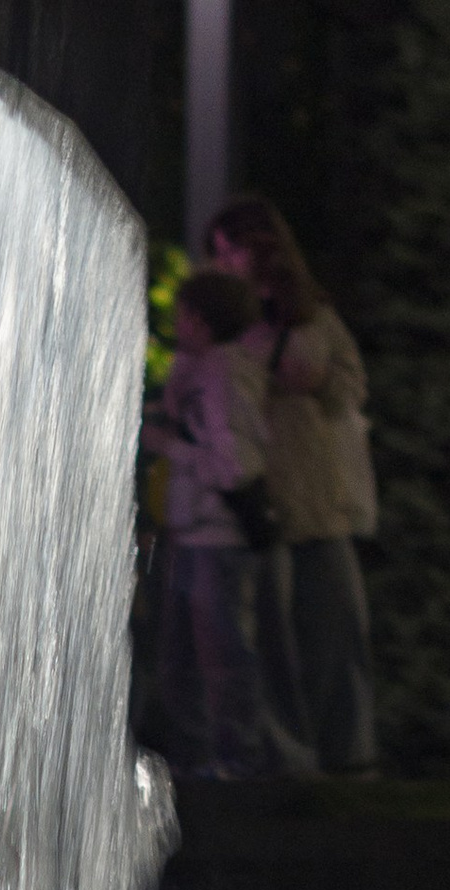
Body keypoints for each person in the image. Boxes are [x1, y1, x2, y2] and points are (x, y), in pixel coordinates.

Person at [204, 195, 378, 775]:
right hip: (264, 496)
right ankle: (289, 761)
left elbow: (351, 388)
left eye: (238, 245)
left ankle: (350, 756)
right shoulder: (230, 324)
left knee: (337, 629)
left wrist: (317, 378)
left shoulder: (313, 317)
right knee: (274, 642)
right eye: (223, 248)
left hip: (320, 493)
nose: (231, 258)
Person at [140, 269, 310, 781]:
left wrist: (167, 446)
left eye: (185, 312)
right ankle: (203, 765)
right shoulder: (205, 368)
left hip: (216, 536)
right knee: (188, 659)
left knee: (220, 657)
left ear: (202, 318)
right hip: (194, 534)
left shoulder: (223, 372)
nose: (178, 321)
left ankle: (238, 764)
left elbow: (233, 464)